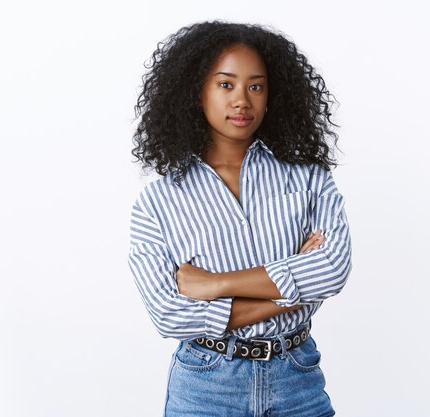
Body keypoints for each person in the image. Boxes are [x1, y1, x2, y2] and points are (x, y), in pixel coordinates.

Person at [127, 20, 352, 417]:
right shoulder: (157, 203)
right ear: (198, 93)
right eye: (226, 84)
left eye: (256, 86)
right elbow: (169, 314)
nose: (242, 101)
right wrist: (291, 289)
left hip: (296, 378)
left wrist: (214, 285)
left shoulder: (308, 178)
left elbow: (332, 269)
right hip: (206, 385)